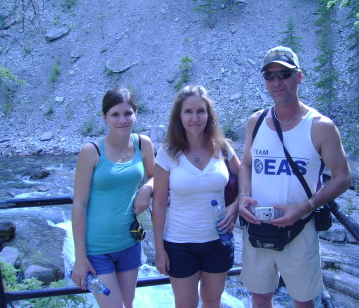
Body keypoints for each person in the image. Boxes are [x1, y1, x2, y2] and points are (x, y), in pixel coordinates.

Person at [238, 46, 352, 308]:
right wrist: (244, 196)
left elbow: (343, 177)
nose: (277, 82)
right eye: (270, 75)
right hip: (258, 225)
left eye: (284, 74)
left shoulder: (320, 126)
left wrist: (305, 206)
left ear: (298, 77)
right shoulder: (256, 121)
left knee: (302, 300)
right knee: (260, 296)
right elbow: (246, 164)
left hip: (300, 228)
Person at [152, 85, 240, 308]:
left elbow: (245, 178)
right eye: (188, 112)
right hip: (179, 243)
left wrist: (237, 204)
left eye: (200, 111)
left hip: (218, 241)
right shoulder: (167, 153)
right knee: (186, 304)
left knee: (212, 301)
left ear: (209, 114)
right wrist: (160, 250)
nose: (195, 118)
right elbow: (160, 204)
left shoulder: (222, 147)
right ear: (179, 116)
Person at [71, 86, 155, 308]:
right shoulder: (91, 151)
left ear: (135, 113)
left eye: (128, 113)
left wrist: (146, 188)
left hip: (129, 242)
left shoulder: (142, 144)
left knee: (128, 304)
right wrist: (80, 258)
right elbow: (79, 205)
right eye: (115, 114)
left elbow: (156, 177)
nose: (122, 120)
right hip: (97, 249)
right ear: (105, 118)